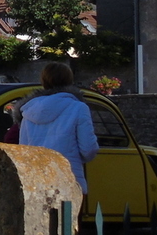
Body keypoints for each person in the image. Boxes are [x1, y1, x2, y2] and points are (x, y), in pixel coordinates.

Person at [18, 63, 100, 193]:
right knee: (68, 207)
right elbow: (89, 149)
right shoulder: (78, 107)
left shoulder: (29, 111)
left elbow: (23, 151)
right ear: (69, 80)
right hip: (68, 180)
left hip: (37, 181)